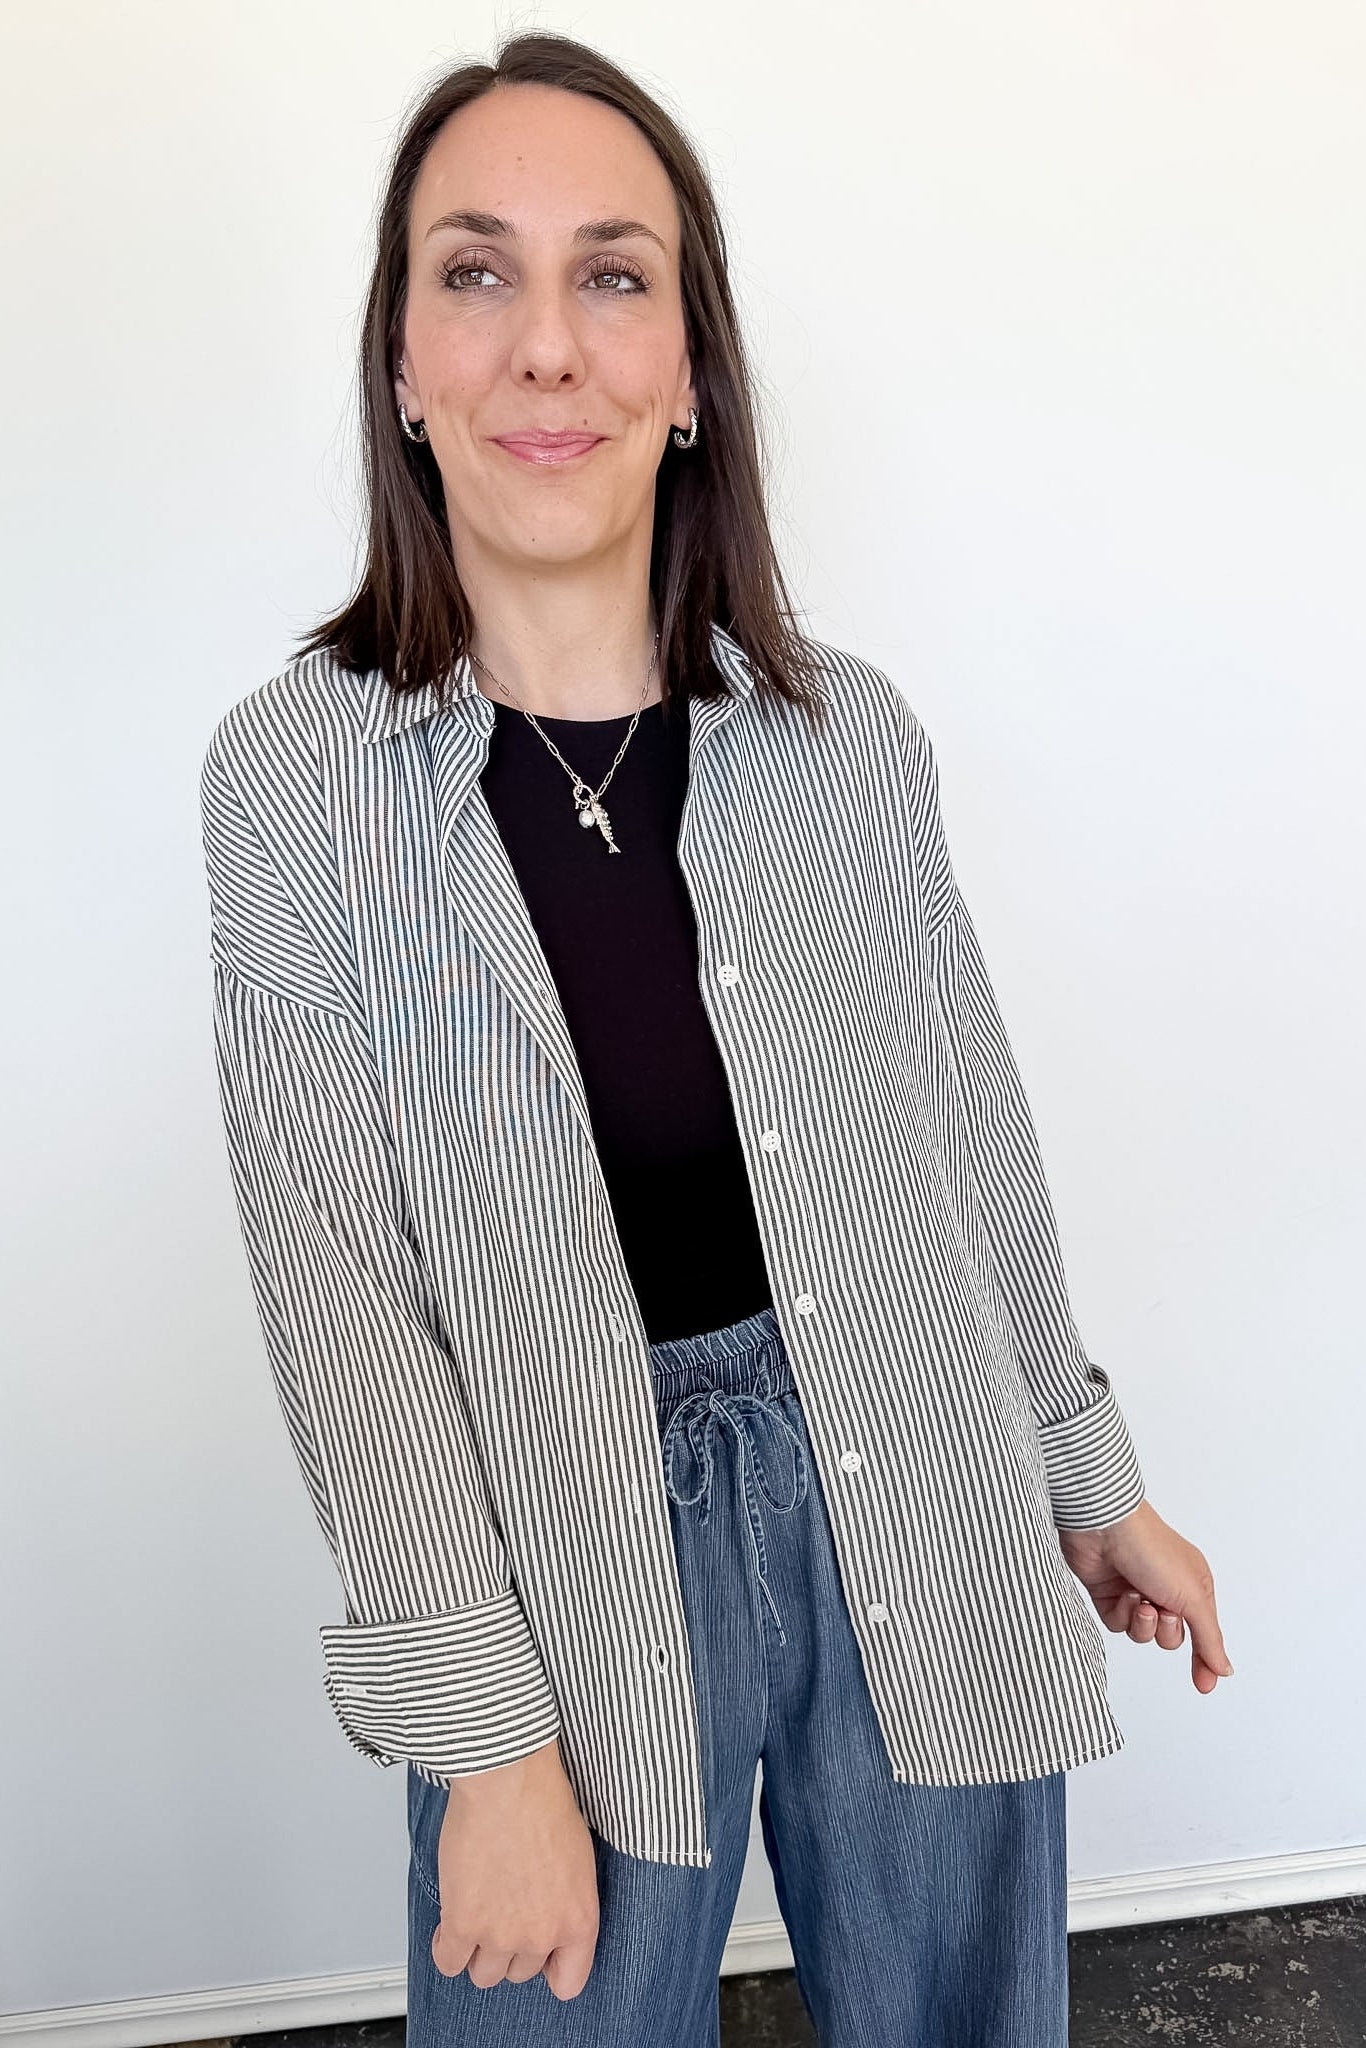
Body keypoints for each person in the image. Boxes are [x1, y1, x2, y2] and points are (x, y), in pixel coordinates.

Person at [200, 31, 1234, 2047]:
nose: (545, 346)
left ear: (689, 374)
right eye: (474, 272)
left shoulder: (845, 741)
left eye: (613, 275)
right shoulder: (294, 781)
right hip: (563, 1536)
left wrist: (1082, 1474)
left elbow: (968, 1144)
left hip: (912, 1484)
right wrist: (487, 1745)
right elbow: (348, 1311)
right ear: (400, 362)